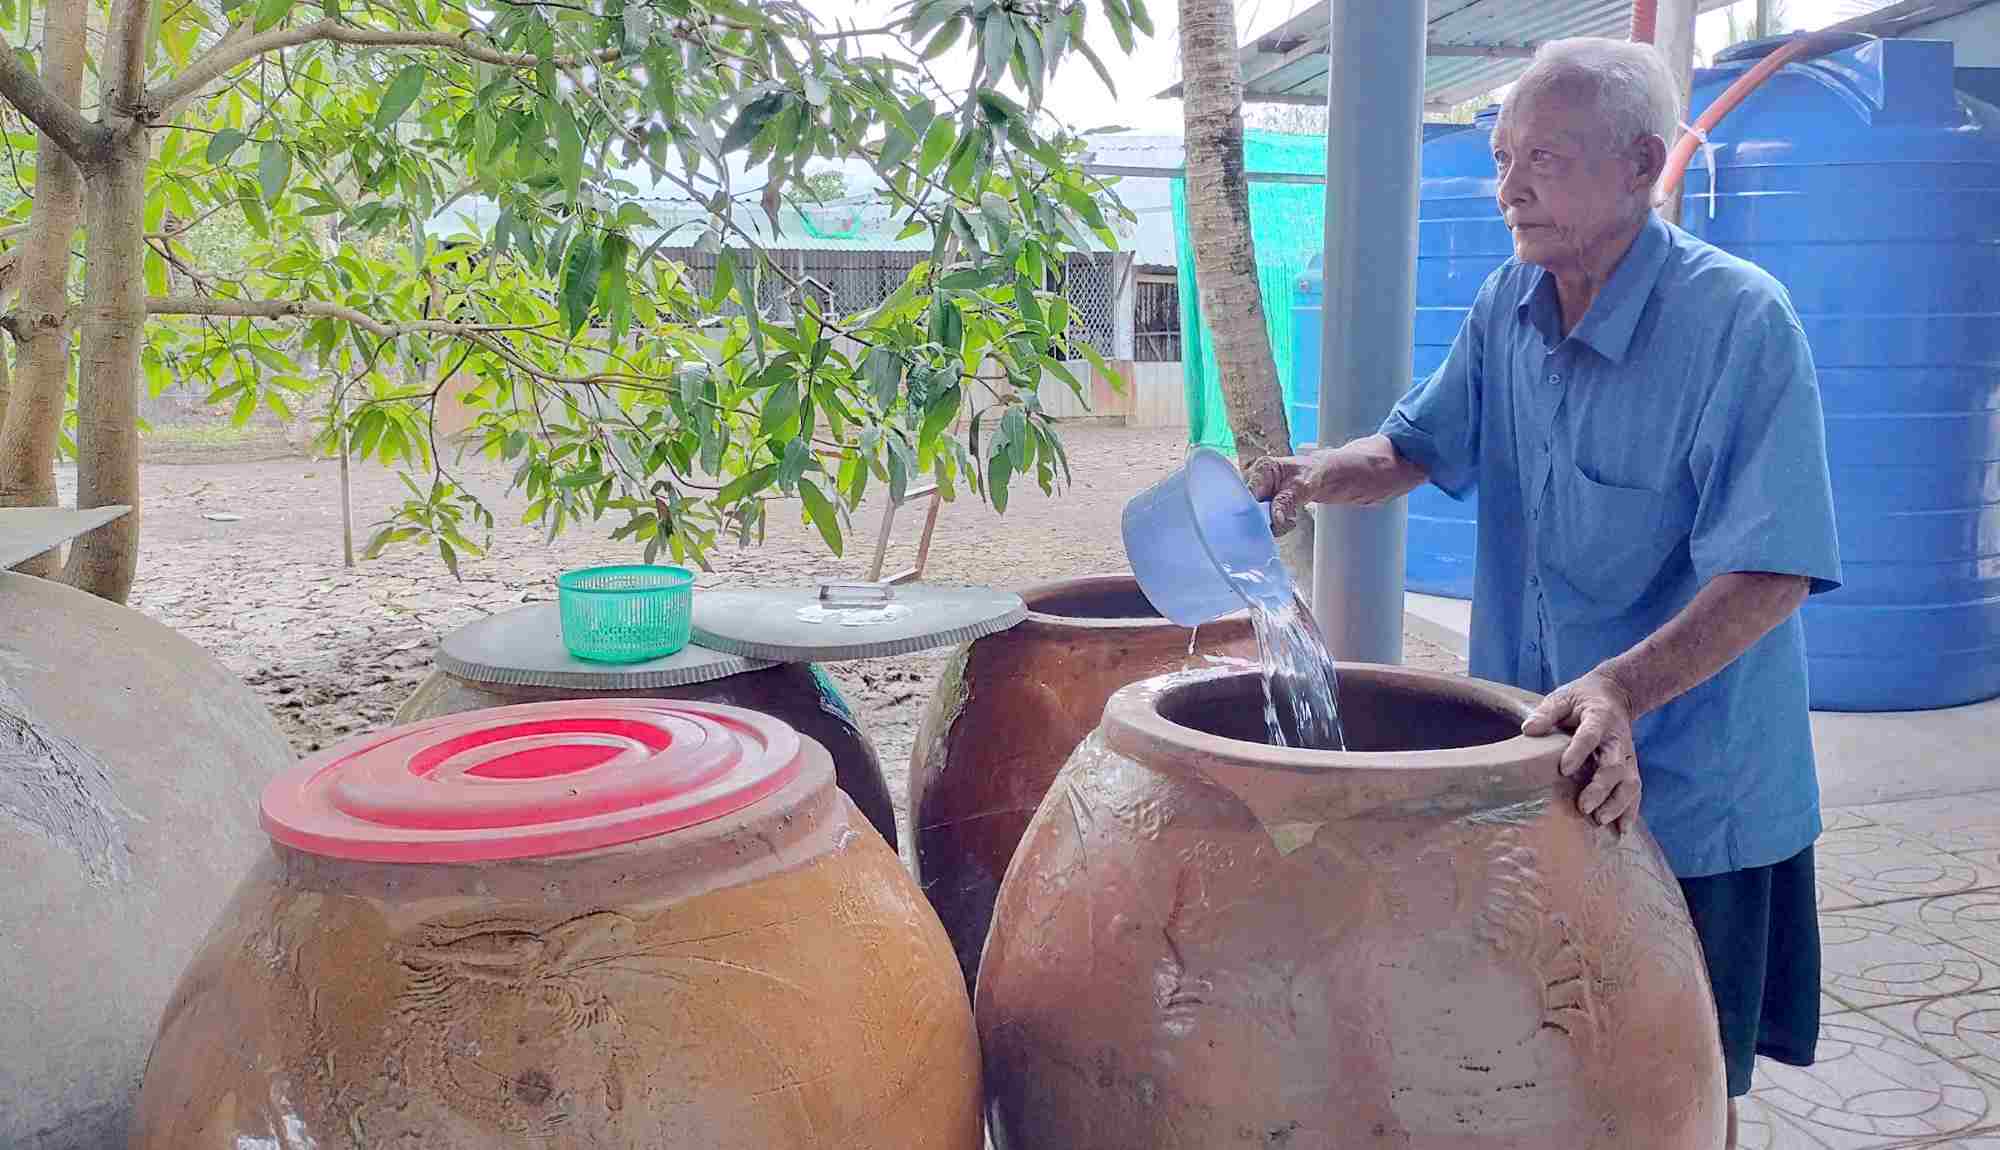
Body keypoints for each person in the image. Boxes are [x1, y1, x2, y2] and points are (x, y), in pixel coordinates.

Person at [1247, 36, 1841, 1149]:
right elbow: (1418, 444)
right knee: (1546, 1050)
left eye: (1543, 159)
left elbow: (1770, 570)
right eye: (1503, 154)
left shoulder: (1738, 324)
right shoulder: (1508, 302)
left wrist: (1616, 685)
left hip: (1690, 784)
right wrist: (1313, 474)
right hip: (1536, 769)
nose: (1508, 185)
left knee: (1677, 1072)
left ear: (1639, 165)